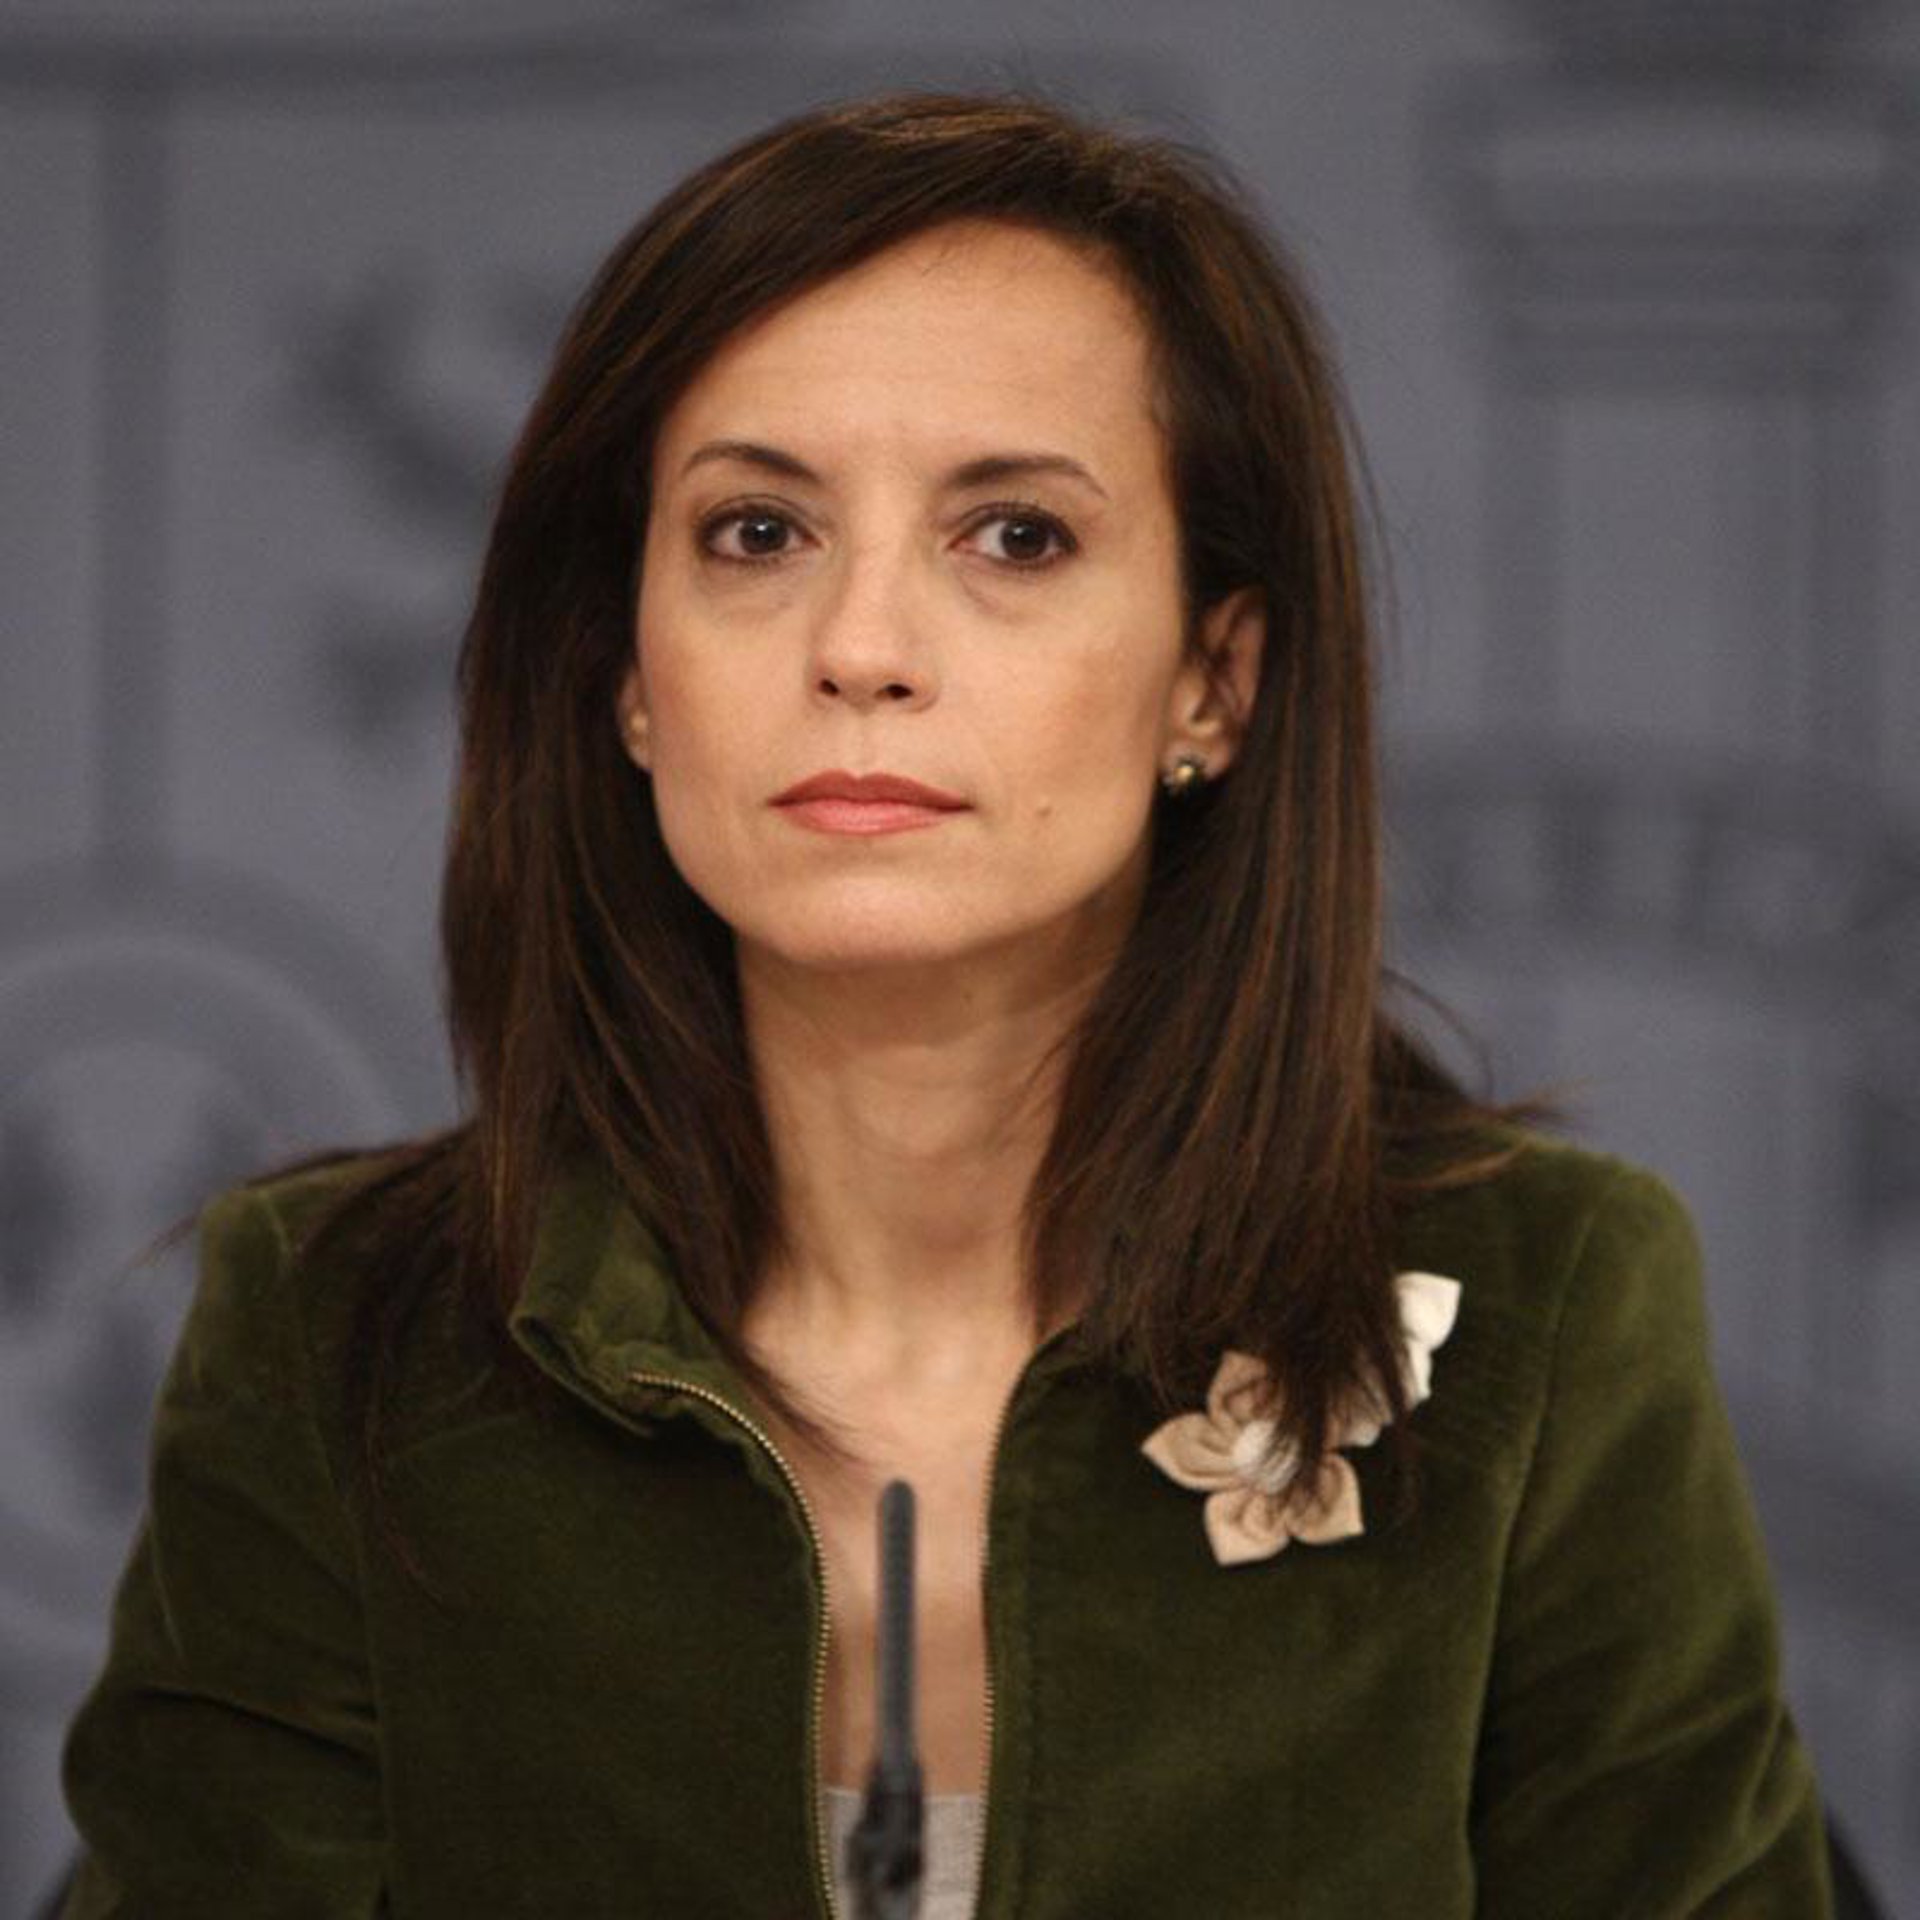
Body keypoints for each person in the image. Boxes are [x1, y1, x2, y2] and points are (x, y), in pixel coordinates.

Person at [56, 87, 1833, 1917]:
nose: (863, 650)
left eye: (1016, 538)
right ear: (628, 675)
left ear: (1212, 684)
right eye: (758, 533)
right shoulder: (335, 1336)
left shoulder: (1546, 1316)